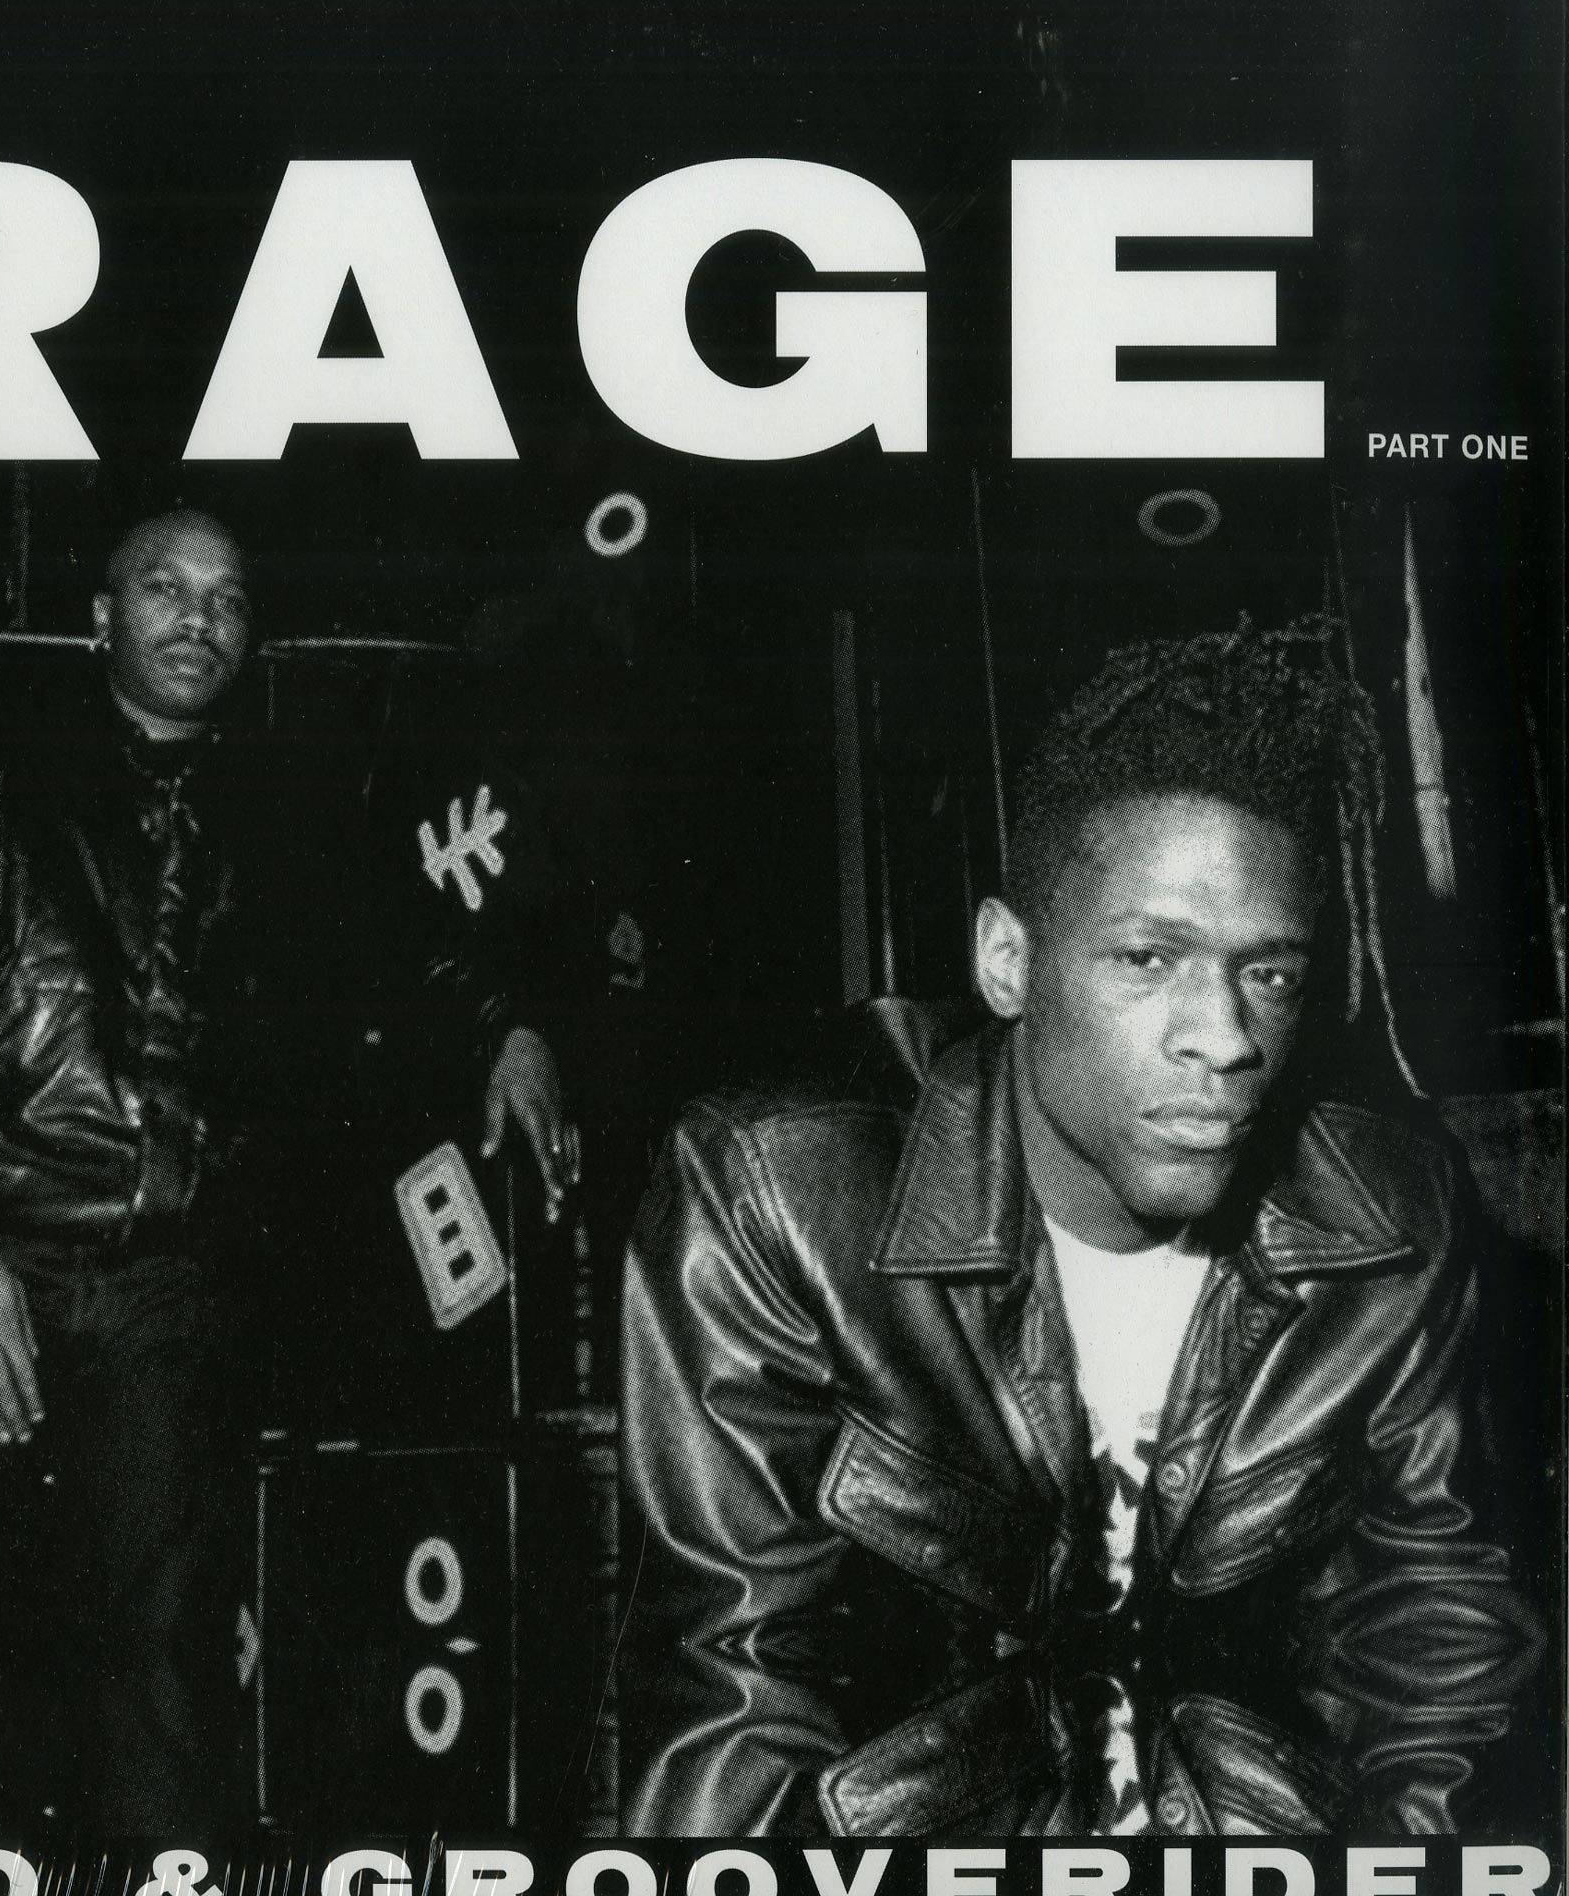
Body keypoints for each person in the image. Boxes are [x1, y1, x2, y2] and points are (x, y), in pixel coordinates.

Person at [620, 621, 1541, 1837]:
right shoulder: (777, 1190)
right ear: (1007, 960)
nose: (1223, 1036)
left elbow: (1438, 1631)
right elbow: (734, 1672)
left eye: (1267, 972)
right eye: (1147, 957)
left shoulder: (1390, 1213)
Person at [0, 508, 575, 1834]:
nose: (199, 616)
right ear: (103, 616)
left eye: (228, 597)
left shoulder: (291, 810)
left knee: (160, 1676)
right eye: (165, 586)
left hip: (168, 1298)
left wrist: (510, 1029)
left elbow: (406, 942)